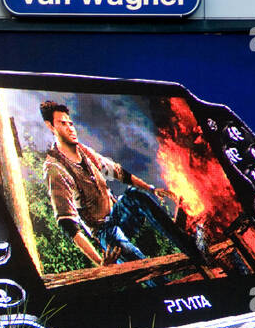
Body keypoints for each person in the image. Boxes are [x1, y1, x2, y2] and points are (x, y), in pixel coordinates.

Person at [39, 99, 189, 269]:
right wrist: (101, 263)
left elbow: (118, 172)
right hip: (104, 232)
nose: (70, 128)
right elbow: (68, 225)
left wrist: (152, 189)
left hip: (119, 215)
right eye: (62, 124)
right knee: (141, 265)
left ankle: (189, 246)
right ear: (51, 126)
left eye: (70, 123)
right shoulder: (55, 169)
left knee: (133, 194)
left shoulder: (84, 151)